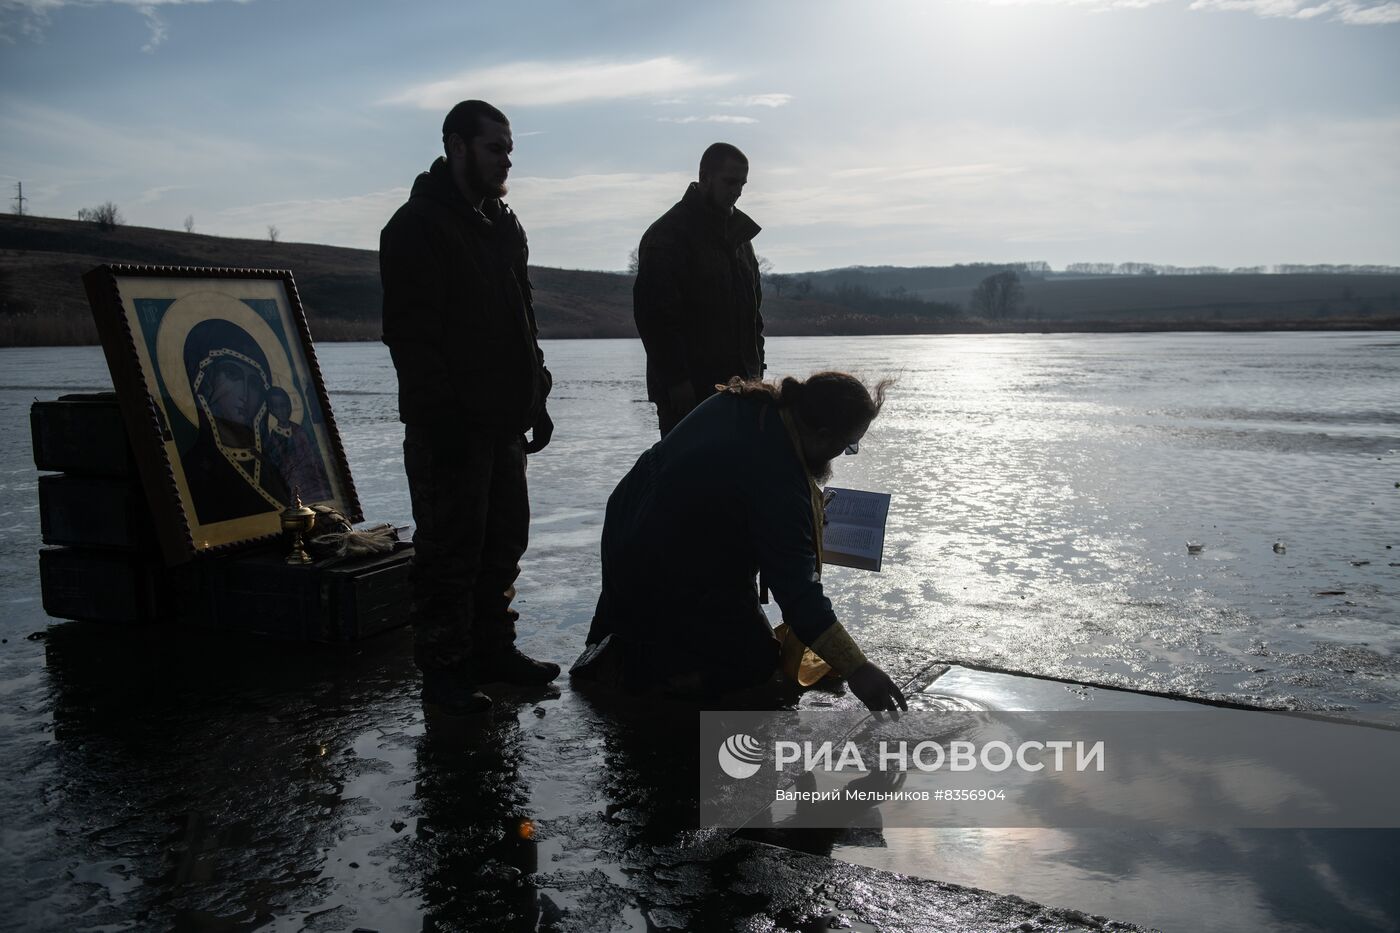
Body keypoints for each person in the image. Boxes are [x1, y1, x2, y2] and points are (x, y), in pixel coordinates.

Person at [576, 372, 908, 712]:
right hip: (662, 557)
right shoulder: (777, 478)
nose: (843, 454)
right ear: (823, 434)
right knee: (754, 660)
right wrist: (858, 669)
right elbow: (798, 595)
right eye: (847, 445)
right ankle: (653, 673)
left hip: (632, 519)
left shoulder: (752, 403)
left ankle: (633, 643)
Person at [380, 99, 559, 715]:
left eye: (509, 149)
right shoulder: (415, 227)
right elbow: (411, 338)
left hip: (505, 418)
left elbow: (522, 318)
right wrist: (444, 418)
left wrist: (537, 391)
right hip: (449, 427)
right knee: (449, 554)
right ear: (456, 146)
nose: (506, 160)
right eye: (494, 148)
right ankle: (445, 679)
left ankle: (492, 650)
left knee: (504, 542)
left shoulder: (504, 225)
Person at [633, 142, 765, 438]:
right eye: (730, 182)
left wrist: (756, 375)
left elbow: (753, 315)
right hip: (689, 394)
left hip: (741, 389)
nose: (737, 191)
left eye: (742, 183)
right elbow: (655, 318)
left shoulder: (741, 239)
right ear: (705, 177)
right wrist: (677, 381)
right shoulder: (668, 235)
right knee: (689, 480)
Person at [180, 318, 291, 525]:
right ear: (207, 380)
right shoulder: (194, 466)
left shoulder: (269, 462)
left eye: (255, 384)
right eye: (232, 375)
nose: (246, 395)